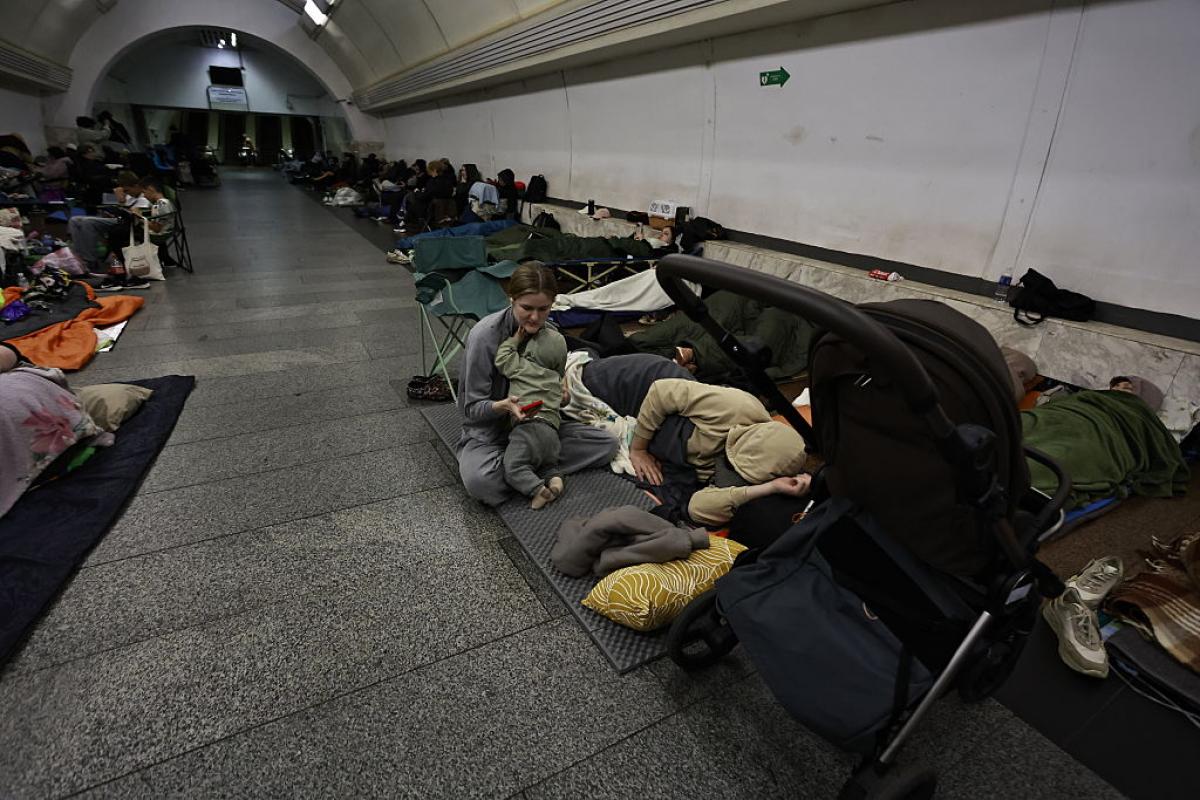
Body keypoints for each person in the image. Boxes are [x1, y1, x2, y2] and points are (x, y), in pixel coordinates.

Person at [457, 262, 617, 506]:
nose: (535, 317)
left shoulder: (551, 335)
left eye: (543, 309)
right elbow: (471, 411)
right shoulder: (485, 336)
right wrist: (503, 406)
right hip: (491, 433)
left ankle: (520, 469)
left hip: (537, 427)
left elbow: (555, 386)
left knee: (606, 444)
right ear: (511, 299)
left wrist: (562, 395)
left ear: (553, 304)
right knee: (480, 482)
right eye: (527, 308)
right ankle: (540, 469)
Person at [629, 378, 811, 526]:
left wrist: (769, 488)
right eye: (729, 465)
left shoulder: (761, 475)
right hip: (641, 389)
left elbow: (696, 508)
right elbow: (660, 391)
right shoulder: (736, 407)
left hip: (667, 433)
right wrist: (638, 448)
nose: (724, 473)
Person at [494, 304, 569, 509]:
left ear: (528, 353)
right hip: (553, 433)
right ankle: (555, 481)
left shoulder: (521, 366)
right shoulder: (556, 377)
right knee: (547, 464)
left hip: (527, 427)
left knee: (513, 467)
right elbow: (565, 400)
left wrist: (516, 339)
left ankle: (538, 491)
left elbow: (502, 357)